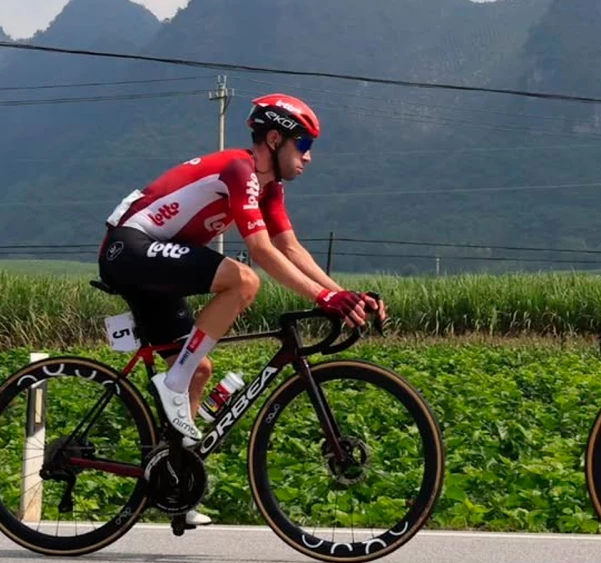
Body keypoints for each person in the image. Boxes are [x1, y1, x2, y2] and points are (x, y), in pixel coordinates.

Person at [96, 94, 385, 524]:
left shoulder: (269, 188)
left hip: (155, 259)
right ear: (275, 140)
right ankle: (172, 384)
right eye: (304, 145)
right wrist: (324, 299)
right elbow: (262, 251)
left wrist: (344, 295)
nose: (309, 157)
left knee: (198, 369)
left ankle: (175, 484)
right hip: (130, 248)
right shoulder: (240, 170)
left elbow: (290, 247)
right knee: (244, 280)